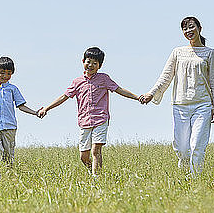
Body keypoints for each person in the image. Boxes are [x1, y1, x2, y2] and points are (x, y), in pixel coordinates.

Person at [38, 47, 140, 175]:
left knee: (96, 150)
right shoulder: (77, 82)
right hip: (84, 121)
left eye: (95, 63)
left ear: (100, 66)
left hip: (100, 119)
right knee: (83, 156)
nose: (91, 65)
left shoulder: (104, 79)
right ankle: (93, 171)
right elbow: (63, 97)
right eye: (88, 61)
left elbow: (119, 89)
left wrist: (137, 97)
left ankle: (97, 178)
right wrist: (47, 108)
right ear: (83, 61)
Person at [139, 16, 214, 175]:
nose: (189, 31)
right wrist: (152, 93)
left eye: (192, 27)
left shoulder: (210, 53)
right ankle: (184, 175)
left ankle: (195, 180)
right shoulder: (177, 52)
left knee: (197, 145)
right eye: (185, 28)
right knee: (182, 148)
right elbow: (166, 76)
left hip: (203, 105)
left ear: (199, 28)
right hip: (180, 105)